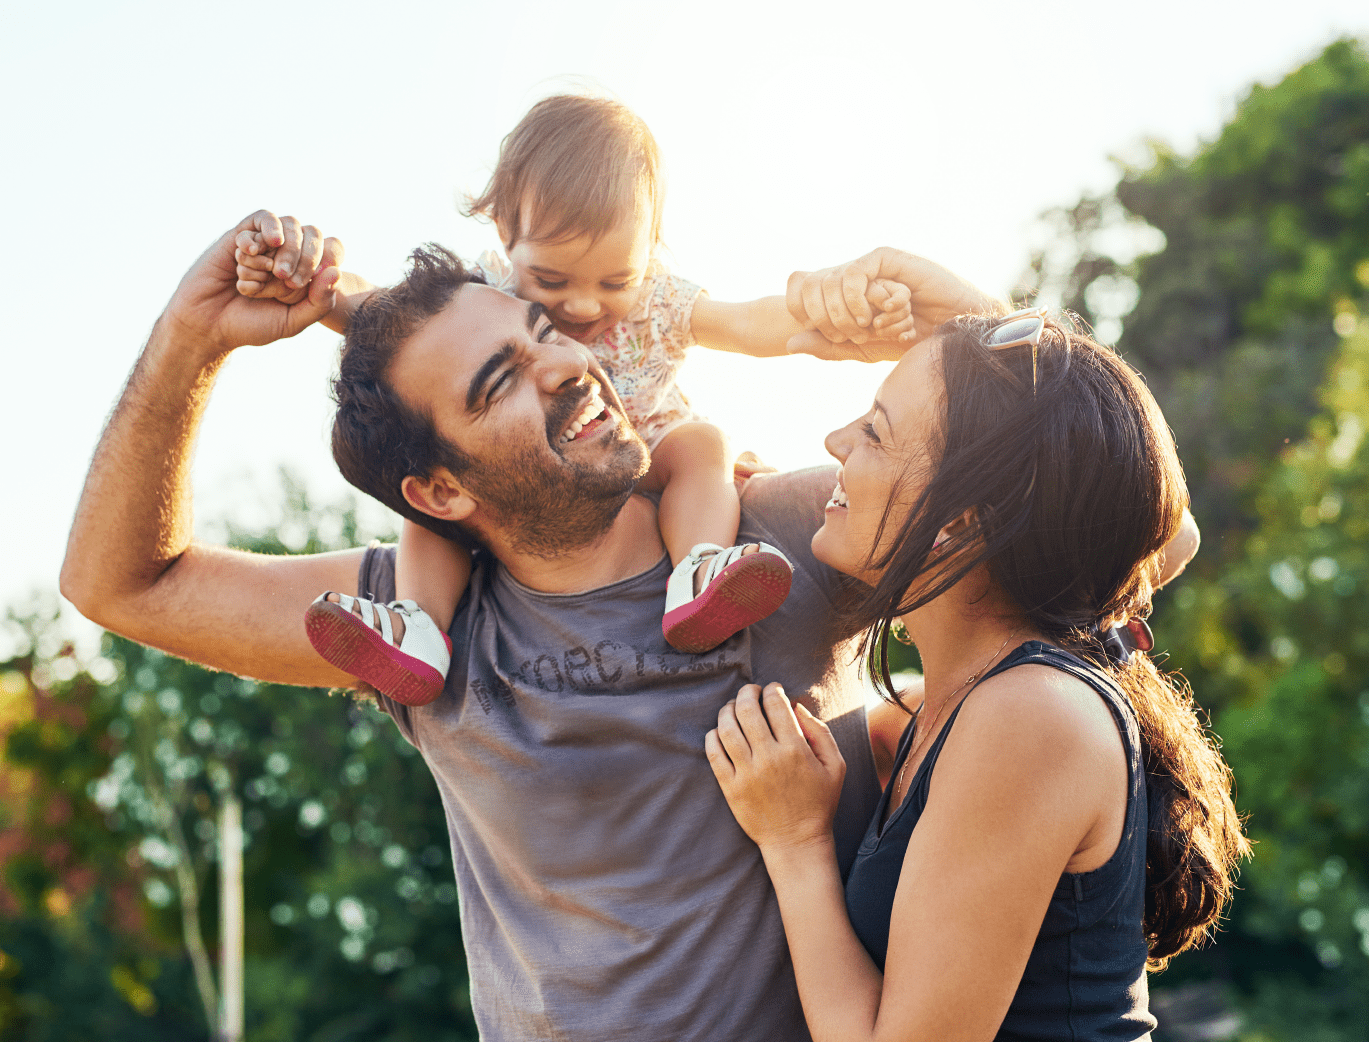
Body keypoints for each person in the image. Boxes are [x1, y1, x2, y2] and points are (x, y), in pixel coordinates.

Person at [62, 213, 979, 1041]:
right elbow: (122, 583)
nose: (566, 368)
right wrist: (192, 337)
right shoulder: (415, 626)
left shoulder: (785, 537)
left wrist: (973, 318)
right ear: (440, 492)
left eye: (545, 335)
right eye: (501, 382)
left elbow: (1077, 504)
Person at [705, 257, 1245, 1042]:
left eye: (876, 431)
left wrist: (796, 842)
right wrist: (988, 345)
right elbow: (1152, 523)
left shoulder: (1030, 716)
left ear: (964, 521)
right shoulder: (970, 701)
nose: (835, 440)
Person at [233, 95, 915, 704]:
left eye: (615, 279)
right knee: (442, 500)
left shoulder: (659, 300)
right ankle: (418, 626)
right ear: (505, 231)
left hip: (642, 452)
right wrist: (303, 275)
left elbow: (745, 322)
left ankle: (700, 568)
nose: (585, 305)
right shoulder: (489, 296)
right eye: (552, 279)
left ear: (651, 250)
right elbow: (370, 306)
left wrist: (828, 321)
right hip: (540, 470)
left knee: (704, 445)